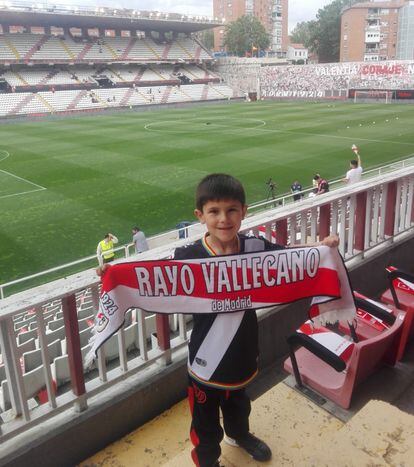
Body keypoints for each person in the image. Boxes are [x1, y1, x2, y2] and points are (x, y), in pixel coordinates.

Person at [173, 173, 338, 467]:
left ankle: (239, 435)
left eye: (232, 210)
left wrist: (322, 248)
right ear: (200, 216)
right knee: (204, 421)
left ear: (244, 212)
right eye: (214, 211)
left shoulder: (256, 248)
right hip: (205, 358)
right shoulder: (187, 256)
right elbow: (150, 283)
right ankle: (208, 461)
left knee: (239, 403)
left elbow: (294, 260)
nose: (223, 219)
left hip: (243, 348)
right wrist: (113, 278)